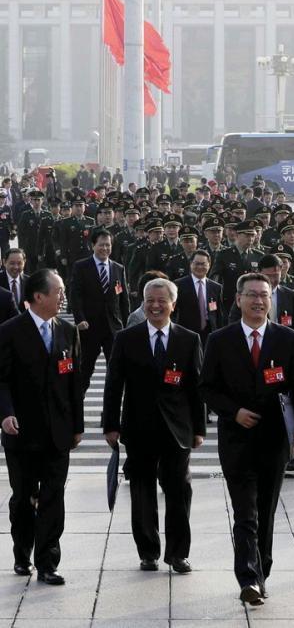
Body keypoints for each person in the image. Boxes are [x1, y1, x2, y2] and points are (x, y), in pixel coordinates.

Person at [199, 273, 294, 606]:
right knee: (245, 512)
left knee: (265, 510)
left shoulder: (287, 338)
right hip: (236, 440)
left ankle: (261, 570)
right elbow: (206, 388)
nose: (258, 301)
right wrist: (233, 411)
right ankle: (248, 577)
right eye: (251, 295)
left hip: (274, 440)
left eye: (264, 295)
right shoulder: (220, 340)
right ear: (238, 300)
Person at [103, 278, 205, 573]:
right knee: (142, 491)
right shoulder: (126, 338)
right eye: (150, 301)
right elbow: (114, 384)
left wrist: (199, 429)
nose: (156, 306)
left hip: (177, 428)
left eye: (162, 301)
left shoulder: (188, 339)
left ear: (173, 304)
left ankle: (178, 553)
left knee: (179, 489)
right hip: (138, 426)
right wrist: (110, 425)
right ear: (143, 303)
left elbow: (196, 388)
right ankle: (148, 551)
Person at [0, 269, 83, 585]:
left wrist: (77, 426)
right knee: (23, 497)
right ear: (38, 296)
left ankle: (48, 561)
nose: (63, 297)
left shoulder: (68, 331)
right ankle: (22, 552)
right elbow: (1, 380)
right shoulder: (10, 331)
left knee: (53, 496)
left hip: (58, 431)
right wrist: (5, 414)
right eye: (58, 291)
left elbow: (74, 382)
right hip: (21, 432)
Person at [70, 229, 130, 393]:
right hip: (89, 327)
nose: (105, 248)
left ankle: (113, 404)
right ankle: (78, 402)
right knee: (85, 369)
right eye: (101, 245)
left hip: (113, 328)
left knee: (116, 369)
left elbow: (123, 300)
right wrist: (80, 319)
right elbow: (75, 296)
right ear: (93, 246)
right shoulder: (81, 266)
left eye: (108, 245)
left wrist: (126, 326)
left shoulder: (118, 268)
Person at [173, 249, 225, 346]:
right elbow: (173, 312)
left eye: (203, 264)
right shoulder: (179, 285)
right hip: (186, 332)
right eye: (197, 264)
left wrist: (220, 334)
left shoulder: (216, 287)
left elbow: (218, 314)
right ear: (191, 264)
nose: (200, 267)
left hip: (209, 333)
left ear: (209, 265)